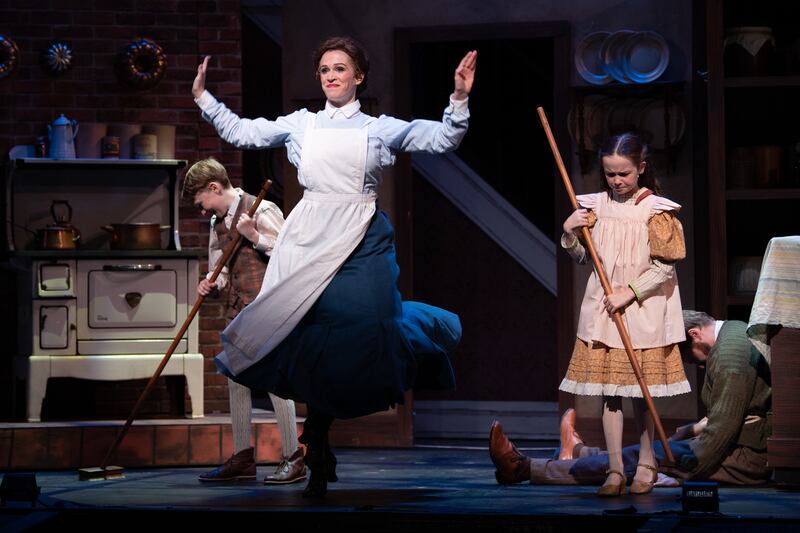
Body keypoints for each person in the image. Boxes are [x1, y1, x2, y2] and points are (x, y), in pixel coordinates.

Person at [192, 37, 477, 497]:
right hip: (311, 238)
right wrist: (204, 98)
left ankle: (329, 426)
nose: (331, 76)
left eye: (340, 68)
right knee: (313, 334)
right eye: (324, 69)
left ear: (358, 76)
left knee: (367, 325)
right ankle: (318, 445)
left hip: (360, 236)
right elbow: (244, 132)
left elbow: (442, 138)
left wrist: (459, 97)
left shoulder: (378, 129)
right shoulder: (302, 124)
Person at [490, 310, 772, 488]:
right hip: (736, 448)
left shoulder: (729, 358)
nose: (697, 366)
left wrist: (682, 469)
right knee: (647, 453)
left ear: (694, 334)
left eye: (690, 359)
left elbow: (722, 430)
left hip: (743, 459)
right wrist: (687, 434)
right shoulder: (733, 329)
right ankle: (576, 453)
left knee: (640, 459)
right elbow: (726, 418)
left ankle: (523, 468)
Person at [558, 132, 690, 496]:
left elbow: (664, 268)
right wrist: (570, 234)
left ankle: (646, 463)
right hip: (604, 311)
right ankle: (615, 469)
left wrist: (628, 294)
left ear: (641, 168)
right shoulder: (594, 207)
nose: (616, 181)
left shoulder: (656, 211)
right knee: (610, 392)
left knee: (640, 392)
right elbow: (585, 258)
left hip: (641, 309)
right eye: (610, 173)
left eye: (624, 173)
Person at [181, 158, 306, 485]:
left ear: (214, 187)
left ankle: (294, 457)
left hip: (269, 307)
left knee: (275, 379)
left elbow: (291, 254)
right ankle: (242, 458)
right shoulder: (217, 223)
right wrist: (211, 283)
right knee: (235, 377)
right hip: (240, 309)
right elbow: (220, 268)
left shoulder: (261, 210)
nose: (201, 211)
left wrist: (254, 235)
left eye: (201, 202)